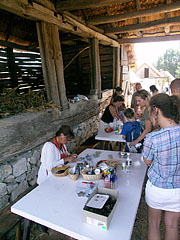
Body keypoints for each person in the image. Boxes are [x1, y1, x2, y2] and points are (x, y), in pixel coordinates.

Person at [142, 93, 180, 240]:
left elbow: (147, 161)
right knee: (172, 225)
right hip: (178, 190)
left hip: (158, 189)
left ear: (155, 110)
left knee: (153, 224)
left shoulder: (153, 137)